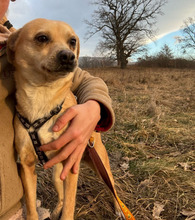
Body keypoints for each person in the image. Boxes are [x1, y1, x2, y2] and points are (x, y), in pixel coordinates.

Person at [0, 0, 115, 219]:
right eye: (43, 39)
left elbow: (86, 80)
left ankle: (115, 201)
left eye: (71, 43)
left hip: (9, 208)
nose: (66, 53)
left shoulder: (13, 39)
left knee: (93, 169)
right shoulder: (19, 42)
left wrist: (94, 106)